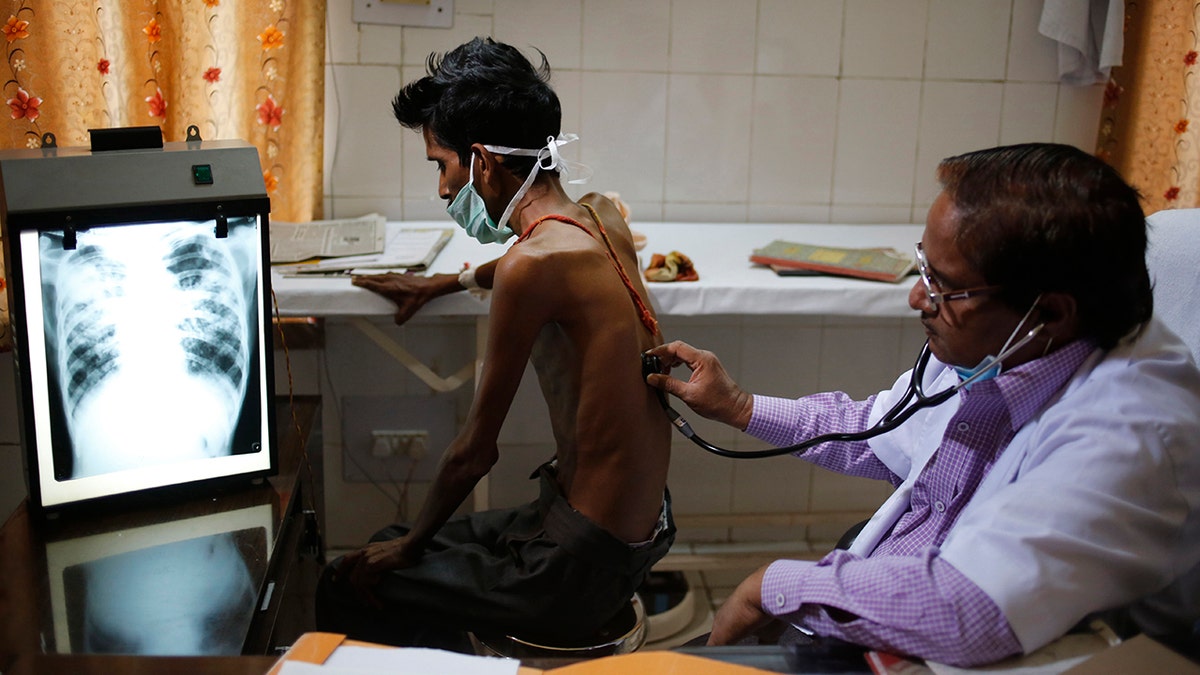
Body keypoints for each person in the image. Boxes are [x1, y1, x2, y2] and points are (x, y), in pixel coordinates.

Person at [645, 143, 1200, 667]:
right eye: (923, 267)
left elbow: (970, 610)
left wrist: (772, 586)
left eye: (942, 284)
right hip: (878, 597)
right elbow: (878, 429)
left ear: (1051, 313)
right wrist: (739, 406)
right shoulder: (999, 346)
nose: (917, 297)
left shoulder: (1132, 434)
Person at [315, 37, 674, 650]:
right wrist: (446, 282)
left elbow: (473, 455)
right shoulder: (600, 217)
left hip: (577, 569)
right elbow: (535, 263)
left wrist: (408, 548)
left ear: (480, 161)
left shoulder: (529, 268)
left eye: (439, 164)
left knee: (348, 580)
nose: (439, 189)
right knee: (394, 536)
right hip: (639, 530)